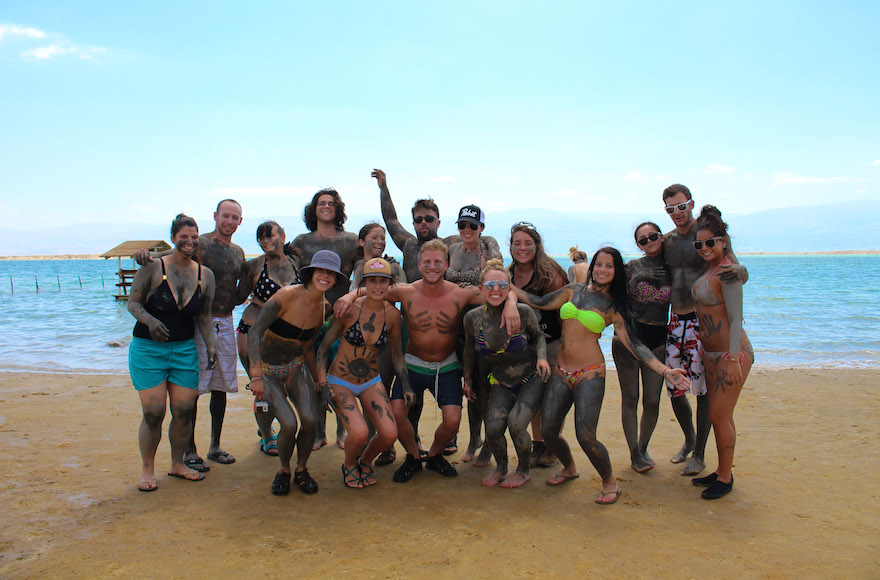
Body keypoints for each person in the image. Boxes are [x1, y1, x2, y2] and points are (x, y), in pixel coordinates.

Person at [334, 239, 520, 483]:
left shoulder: (461, 293)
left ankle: (433, 455)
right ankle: (412, 456)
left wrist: (512, 305)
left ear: (446, 264)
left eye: (437, 262)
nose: (432, 266)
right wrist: (349, 296)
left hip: (447, 364)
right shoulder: (405, 291)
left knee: (453, 420)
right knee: (397, 412)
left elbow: (501, 290)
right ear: (419, 264)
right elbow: (373, 289)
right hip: (412, 361)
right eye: (427, 262)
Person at [514, 247, 690, 505]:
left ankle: (609, 482)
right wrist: (503, 286)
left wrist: (664, 370)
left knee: (586, 435)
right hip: (561, 370)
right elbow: (537, 301)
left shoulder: (614, 306)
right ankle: (569, 468)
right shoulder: (573, 290)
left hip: (590, 374)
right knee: (549, 431)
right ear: (593, 266)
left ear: (617, 272)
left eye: (609, 266)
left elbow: (635, 344)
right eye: (599, 264)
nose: (602, 270)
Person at [136, 199, 246, 471]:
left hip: (224, 321)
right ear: (215, 216)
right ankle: (190, 450)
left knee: (220, 387)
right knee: (192, 391)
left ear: (240, 222)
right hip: (197, 322)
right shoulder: (201, 243)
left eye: (235, 217)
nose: (229, 221)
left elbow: (242, 287)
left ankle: (215, 446)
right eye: (225, 216)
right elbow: (169, 258)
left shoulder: (239, 252)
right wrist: (142, 255)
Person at [661, 184, 747, 475]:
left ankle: (699, 454)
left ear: (691, 203)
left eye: (681, 206)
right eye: (671, 209)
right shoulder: (667, 241)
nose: (677, 213)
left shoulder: (706, 234)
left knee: (704, 393)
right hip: (676, 318)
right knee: (675, 387)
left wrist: (744, 273)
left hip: (702, 322)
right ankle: (689, 440)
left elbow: (731, 265)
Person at [128, 213, 217, 491]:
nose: (189, 242)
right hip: (148, 350)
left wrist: (211, 346)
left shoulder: (205, 275)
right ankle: (147, 470)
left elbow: (203, 316)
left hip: (184, 350)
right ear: (173, 238)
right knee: (154, 413)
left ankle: (177, 463)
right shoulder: (154, 267)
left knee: (183, 411)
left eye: (194, 237)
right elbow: (133, 303)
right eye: (183, 237)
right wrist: (151, 321)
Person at [246, 250, 343, 495]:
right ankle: (283, 471)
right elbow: (254, 333)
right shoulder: (285, 296)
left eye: (331, 273)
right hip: (267, 369)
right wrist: (256, 374)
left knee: (310, 420)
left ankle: (301, 469)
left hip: (295, 366)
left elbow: (307, 346)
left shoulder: (325, 308)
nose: (325, 276)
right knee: (289, 424)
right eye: (321, 270)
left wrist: (321, 383)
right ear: (311, 273)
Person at [316, 258, 413, 488]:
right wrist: (322, 384)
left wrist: (406, 384)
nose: (378, 287)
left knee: (390, 434)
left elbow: (397, 355)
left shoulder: (392, 315)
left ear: (390, 284)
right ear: (364, 283)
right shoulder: (349, 309)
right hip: (340, 381)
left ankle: (365, 461)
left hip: (371, 381)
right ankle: (349, 464)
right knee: (359, 434)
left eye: (383, 282)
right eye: (372, 281)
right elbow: (322, 349)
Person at [462, 260, 550, 488]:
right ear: (480, 288)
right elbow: (469, 350)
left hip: (530, 378)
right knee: (492, 428)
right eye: (490, 284)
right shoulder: (472, 319)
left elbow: (539, 336)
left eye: (502, 285)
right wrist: (468, 379)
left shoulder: (523, 312)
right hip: (502, 381)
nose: (495, 290)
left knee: (516, 424)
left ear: (509, 289)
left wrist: (542, 358)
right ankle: (501, 468)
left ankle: (523, 470)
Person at [286, 188, 359, 450]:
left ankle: (341, 431)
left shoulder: (351, 240)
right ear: (313, 209)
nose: (326, 207)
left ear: (338, 209)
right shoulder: (301, 241)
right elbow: (290, 278)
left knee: (340, 377)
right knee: (314, 378)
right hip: (310, 318)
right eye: (321, 203)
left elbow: (363, 272)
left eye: (331, 203)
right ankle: (318, 433)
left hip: (343, 317)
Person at [690, 206, 753, 500]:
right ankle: (721, 469)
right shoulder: (715, 268)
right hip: (712, 355)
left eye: (710, 242)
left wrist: (732, 359)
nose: (704, 248)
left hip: (731, 355)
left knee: (718, 415)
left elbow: (736, 317)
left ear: (723, 241)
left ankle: (725, 477)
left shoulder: (728, 272)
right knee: (720, 417)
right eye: (699, 244)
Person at [235, 221, 300, 457]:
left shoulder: (297, 263)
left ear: (283, 236)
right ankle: (266, 433)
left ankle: (269, 429)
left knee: (280, 388)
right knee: (263, 387)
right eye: (260, 239)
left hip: (285, 337)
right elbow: (236, 296)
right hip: (253, 332)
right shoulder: (253, 266)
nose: (265, 242)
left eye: (269, 236)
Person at [508, 221, 569, 469]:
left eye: (528, 243)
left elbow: (556, 307)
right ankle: (538, 444)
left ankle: (552, 445)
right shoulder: (508, 273)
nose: (522, 248)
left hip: (553, 342)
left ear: (537, 245)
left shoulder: (550, 272)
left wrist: (568, 347)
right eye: (517, 243)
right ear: (510, 246)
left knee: (552, 399)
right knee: (532, 398)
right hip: (525, 346)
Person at [611, 222, 670, 473]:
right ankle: (634, 453)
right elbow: (615, 294)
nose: (648, 242)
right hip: (628, 338)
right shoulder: (631, 267)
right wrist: (640, 278)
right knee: (631, 398)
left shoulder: (672, 268)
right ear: (638, 245)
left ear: (661, 237)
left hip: (658, 337)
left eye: (652, 236)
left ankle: (643, 447)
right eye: (642, 240)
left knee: (653, 400)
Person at [446, 204, 503, 462]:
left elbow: (496, 273)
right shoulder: (452, 248)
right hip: (458, 327)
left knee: (485, 386)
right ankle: (473, 438)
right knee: (468, 387)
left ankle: (489, 444)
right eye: (462, 225)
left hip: (484, 326)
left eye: (472, 225)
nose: (467, 230)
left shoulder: (488, 245)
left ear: (481, 227)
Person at [350, 222, 406, 467]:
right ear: (362, 242)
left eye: (383, 237)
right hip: (359, 340)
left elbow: (403, 291)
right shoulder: (357, 267)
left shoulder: (393, 265)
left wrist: (371, 290)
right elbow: (353, 295)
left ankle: (389, 444)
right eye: (375, 237)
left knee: (382, 392)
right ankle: (372, 440)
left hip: (386, 336)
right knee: (365, 394)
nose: (381, 241)